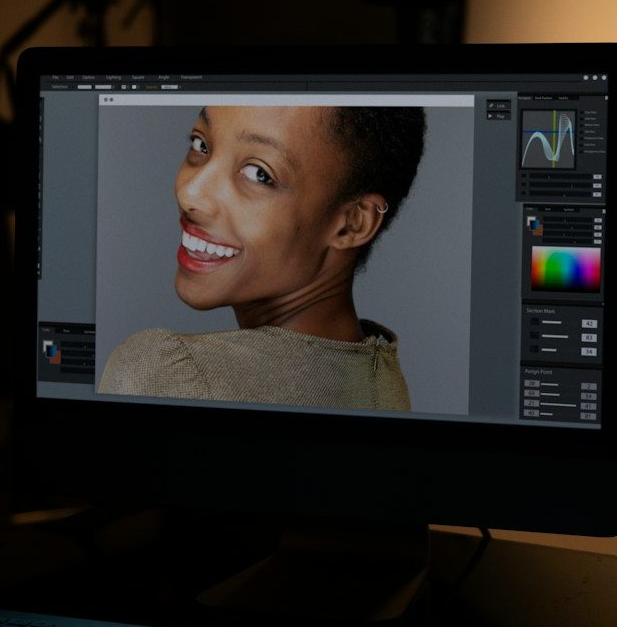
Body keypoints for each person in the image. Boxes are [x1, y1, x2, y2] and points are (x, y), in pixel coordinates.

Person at [98, 104, 426, 411]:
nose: (190, 193)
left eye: (259, 174)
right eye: (201, 145)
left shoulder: (167, 376)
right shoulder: (381, 384)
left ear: (352, 223)